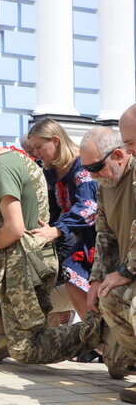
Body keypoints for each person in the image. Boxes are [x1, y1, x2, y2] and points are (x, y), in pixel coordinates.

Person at [0, 114, 102, 365]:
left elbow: (14, 228)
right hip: (15, 255)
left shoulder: (4, 166)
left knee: (25, 351)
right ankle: (5, 327)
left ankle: (99, 333)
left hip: (26, 261)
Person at [81, 124, 136, 402]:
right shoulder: (105, 186)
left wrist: (126, 271)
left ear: (118, 155)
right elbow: (105, 235)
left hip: (132, 271)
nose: (92, 175)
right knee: (116, 365)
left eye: (95, 167)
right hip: (130, 273)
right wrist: (96, 280)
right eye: (86, 169)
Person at [27, 118, 98, 333]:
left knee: (75, 278)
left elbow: (88, 207)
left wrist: (57, 230)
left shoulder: (81, 166)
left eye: (39, 147)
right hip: (73, 239)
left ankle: (98, 337)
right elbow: (51, 207)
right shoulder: (51, 171)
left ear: (56, 141)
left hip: (96, 240)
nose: (36, 153)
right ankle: (91, 336)